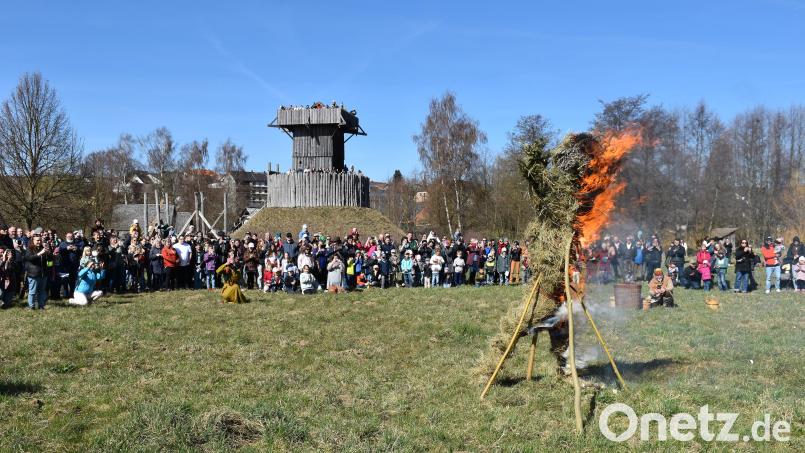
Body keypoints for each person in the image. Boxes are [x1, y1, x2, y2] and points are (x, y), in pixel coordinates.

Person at [24, 234, 51, 310]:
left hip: (43, 273)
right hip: (33, 273)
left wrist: (48, 253)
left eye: (40, 240)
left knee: (42, 291)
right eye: (37, 240)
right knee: (32, 291)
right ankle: (31, 306)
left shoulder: (44, 248)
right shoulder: (29, 249)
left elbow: (50, 260)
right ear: (33, 241)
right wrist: (40, 253)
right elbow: (30, 258)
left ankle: (41, 306)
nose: (39, 242)